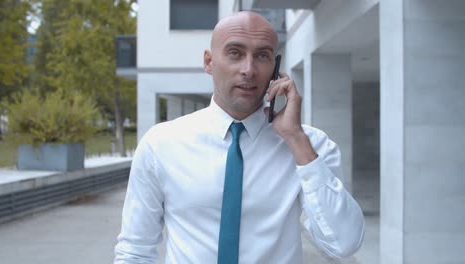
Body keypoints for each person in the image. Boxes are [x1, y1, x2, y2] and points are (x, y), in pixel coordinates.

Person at [114, 11, 364, 264]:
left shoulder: (310, 145)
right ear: (209, 62)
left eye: (262, 56)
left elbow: (343, 244)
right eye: (235, 53)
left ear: (275, 69)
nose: (249, 69)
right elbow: (134, 250)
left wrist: (296, 140)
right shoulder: (161, 144)